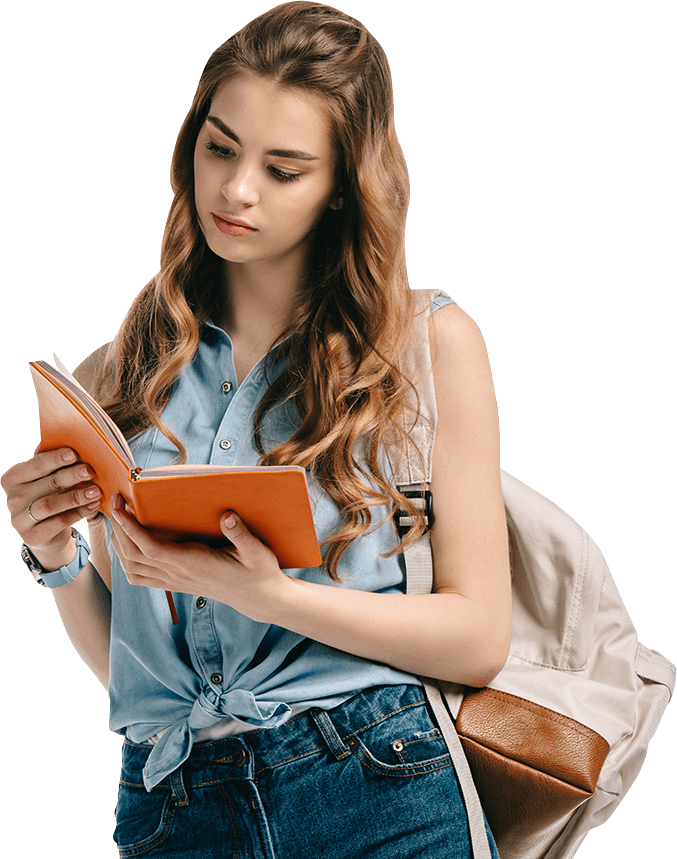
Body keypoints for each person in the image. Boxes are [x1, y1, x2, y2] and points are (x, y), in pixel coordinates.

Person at [1, 4, 510, 856]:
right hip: (173, 799)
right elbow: (132, 672)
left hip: (377, 782)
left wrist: (267, 596)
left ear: (343, 184)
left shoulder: (426, 345)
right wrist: (54, 555)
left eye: (284, 169)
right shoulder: (116, 368)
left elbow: (477, 638)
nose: (236, 191)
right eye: (220, 147)